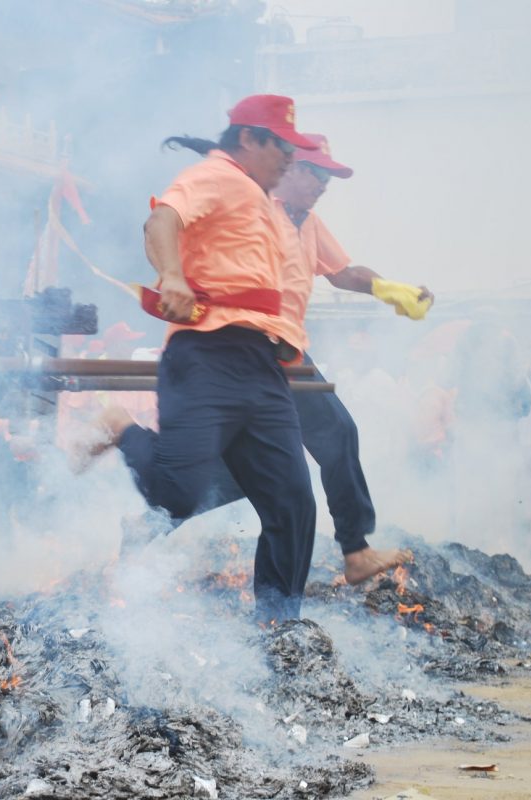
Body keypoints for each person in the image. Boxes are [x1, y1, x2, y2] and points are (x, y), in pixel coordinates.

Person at [82, 94, 321, 622]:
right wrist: (172, 276)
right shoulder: (216, 174)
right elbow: (162, 221)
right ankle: (121, 428)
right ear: (249, 139)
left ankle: (279, 628)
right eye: (281, 146)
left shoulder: (261, 199)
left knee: (293, 503)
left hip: (260, 366)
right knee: (176, 494)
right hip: (206, 357)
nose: (289, 158)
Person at [155, 133, 428, 583]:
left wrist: (389, 288)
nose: (323, 184)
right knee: (319, 440)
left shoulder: (309, 223)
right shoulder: (257, 209)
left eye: (328, 178)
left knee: (268, 463)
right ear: (289, 169)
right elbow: (176, 225)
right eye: (315, 174)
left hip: (285, 352)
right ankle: (355, 550)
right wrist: (173, 279)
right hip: (245, 350)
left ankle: (155, 520)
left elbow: (342, 273)